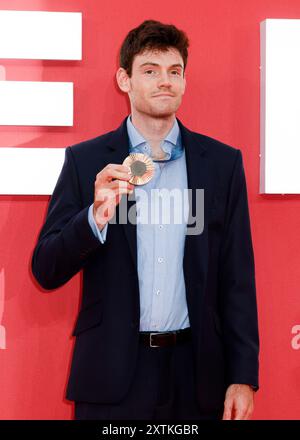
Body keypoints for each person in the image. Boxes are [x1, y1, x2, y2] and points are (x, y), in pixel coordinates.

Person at [31, 19, 259, 420]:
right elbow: (46, 269)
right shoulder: (87, 162)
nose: (164, 82)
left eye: (175, 71)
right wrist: (95, 217)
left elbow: (236, 276)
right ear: (125, 79)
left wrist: (243, 375)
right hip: (112, 376)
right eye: (150, 71)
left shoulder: (221, 164)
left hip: (196, 376)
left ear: (185, 81)